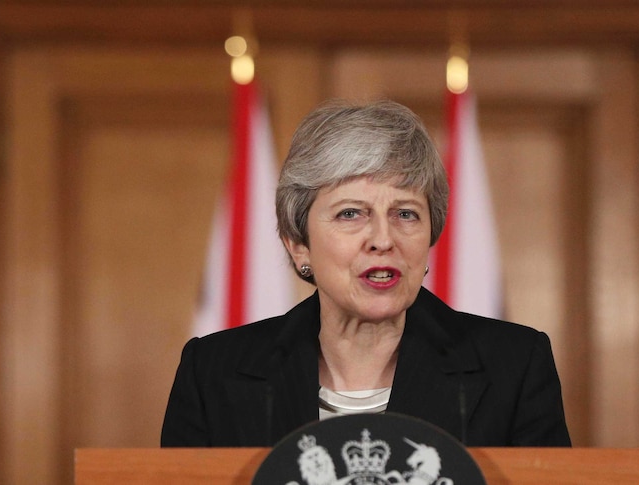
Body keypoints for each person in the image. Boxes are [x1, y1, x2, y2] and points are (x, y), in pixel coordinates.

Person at [161, 100, 571, 447]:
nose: (382, 239)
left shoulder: (513, 367)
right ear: (297, 242)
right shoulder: (212, 373)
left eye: (405, 214)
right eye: (351, 213)